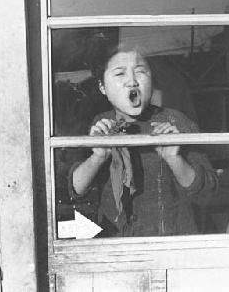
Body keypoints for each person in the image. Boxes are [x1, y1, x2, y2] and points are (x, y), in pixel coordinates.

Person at [69, 42, 218, 237]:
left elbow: (207, 194)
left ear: (152, 80)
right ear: (102, 87)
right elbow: (76, 190)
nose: (132, 82)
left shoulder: (175, 123)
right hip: (115, 247)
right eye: (120, 73)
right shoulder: (98, 126)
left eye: (140, 72)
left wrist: (174, 158)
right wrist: (97, 157)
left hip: (171, 244)